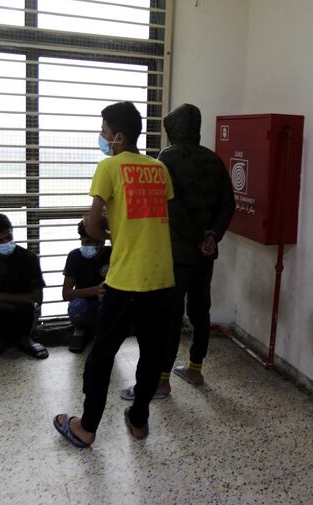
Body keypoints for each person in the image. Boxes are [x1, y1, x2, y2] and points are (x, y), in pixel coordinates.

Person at [53, 101, 175, 447]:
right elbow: (152, 217)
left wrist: (106, 226)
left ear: (118, 136)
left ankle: (86, 427)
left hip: (125, 278)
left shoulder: (108, 167)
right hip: (161, 277)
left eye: (105, 131)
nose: (102, 137)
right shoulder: (159, 169)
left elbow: (92, 225)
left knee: (101, 356)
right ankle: (138, 420)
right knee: (151, 354)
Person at [120, 103, 235, 401]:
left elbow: (172, 206)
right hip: (206, 253)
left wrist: (197, 237)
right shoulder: (214, 159)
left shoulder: (166, 158)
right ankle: (195, 368)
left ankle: (161, 380)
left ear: (173, 129)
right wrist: (212, 237)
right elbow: (228, 204)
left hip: (176, 253)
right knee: (200, 310)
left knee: (170, 316)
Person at [0, 213, 48, 365]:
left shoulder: (29, 258)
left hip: (23, 313)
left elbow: (37, 298)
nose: (6, 242)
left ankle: (25, 340)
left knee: (29, 307)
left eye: (8, 237)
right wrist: (15, 305)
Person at [62, 220, 111, 353]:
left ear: (101, 240)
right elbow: (66, 294)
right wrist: (95, 291)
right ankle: (79, 331)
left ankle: (102, 334)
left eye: (90, 242)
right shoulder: (75, 256)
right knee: (77, 306)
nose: (86, 246)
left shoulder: (113, 254)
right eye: (83, 242)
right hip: (84, 305)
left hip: (105, 304)